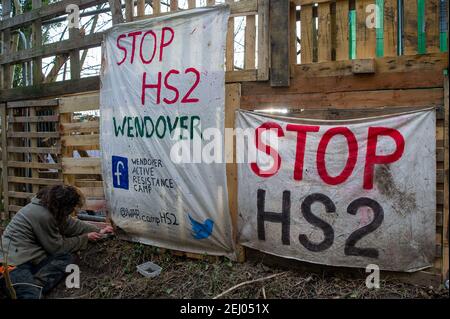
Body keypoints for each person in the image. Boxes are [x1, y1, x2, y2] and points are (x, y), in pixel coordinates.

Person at [0, 184, 113, 299]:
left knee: (66, 258)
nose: (71, 212)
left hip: (30, 260)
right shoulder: (43, 215)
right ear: (63, 206)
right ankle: (24, 288)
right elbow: (57, 248)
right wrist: (85, 238)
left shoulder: (51, 209)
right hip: (12, 265)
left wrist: (100, 230)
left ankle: (32, 285)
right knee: (32, 296)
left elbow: (72, 225)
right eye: (70, 209)